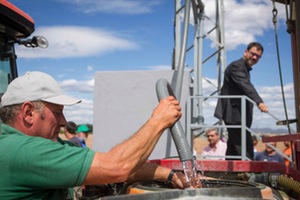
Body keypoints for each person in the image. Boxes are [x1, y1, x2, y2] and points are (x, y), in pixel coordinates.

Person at [0, 71, 190, 199]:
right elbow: (117, 167)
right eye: (57, 112)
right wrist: (158, 121)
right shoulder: (21, 151)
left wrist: (171, 175)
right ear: (28, 112)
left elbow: (112, 166)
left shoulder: (49, 145)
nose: (64, 121)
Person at [214, 42, 269, 160]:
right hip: (234, 114)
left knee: (235, 146)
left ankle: (230, 173)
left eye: (258, 56)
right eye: (253, 54)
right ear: (246, 52)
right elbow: (246, 86)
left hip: (238, 114)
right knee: (245, 144)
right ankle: (249, 172)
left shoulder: (244, 69)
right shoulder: (237, 66)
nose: (254, 57)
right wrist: (259, 102)